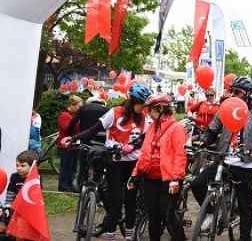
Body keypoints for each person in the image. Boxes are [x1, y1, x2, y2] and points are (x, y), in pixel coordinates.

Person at [193, 77, 252, 241]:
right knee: (197, 184)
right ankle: (209, 212)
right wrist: (203, 140)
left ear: (248, 94)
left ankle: (245, 237)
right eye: (232, 91)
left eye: (237, 92)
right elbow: (212, 130)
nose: (233, 95)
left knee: (245, 206)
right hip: (223, 161)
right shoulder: (225, 108)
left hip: (246, 166)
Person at [70, 84, 151, 240]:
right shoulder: (115, 113)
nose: (144, 108)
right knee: (116, 201)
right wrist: (73, 138)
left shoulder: (144, 117)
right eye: (142, 104)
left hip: (133, 163)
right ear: (134, 101)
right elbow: (93, 129)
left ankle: (129, 233)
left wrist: (132, 146)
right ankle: (110, 233)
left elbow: (145, 137)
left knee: (130, 200)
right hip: (114, 161)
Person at [129, 93, 188, 241]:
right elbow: (145, 153)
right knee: (153, 217)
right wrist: (135, 174)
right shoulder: (152, 128)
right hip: (150, 178)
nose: (148, 112)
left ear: (160, 108)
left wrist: (175, 178)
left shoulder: (176, 128)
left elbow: (180, 155)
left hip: (168, 179)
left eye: (151, 109)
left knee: (168, 216)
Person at [0, 150, 37, 236]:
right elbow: (10, 193)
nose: (19, 168)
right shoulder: (14, 176)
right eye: (17, 165)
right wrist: (8, 206)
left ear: (32, 166)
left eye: (23, 166)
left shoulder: (36, 178)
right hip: (15, 206)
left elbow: (36, 197)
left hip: (28, 207)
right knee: (6, 213)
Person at [57, 95, 82, 192]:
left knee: (73, 167)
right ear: (73, 105)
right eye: (79, 107)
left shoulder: (73, 116)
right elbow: (67, 128)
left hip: (74, 145)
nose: (80, 109)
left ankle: (70, 185)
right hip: (66, 145)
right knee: (66, 167)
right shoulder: (64, 115)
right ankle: (63, 187)